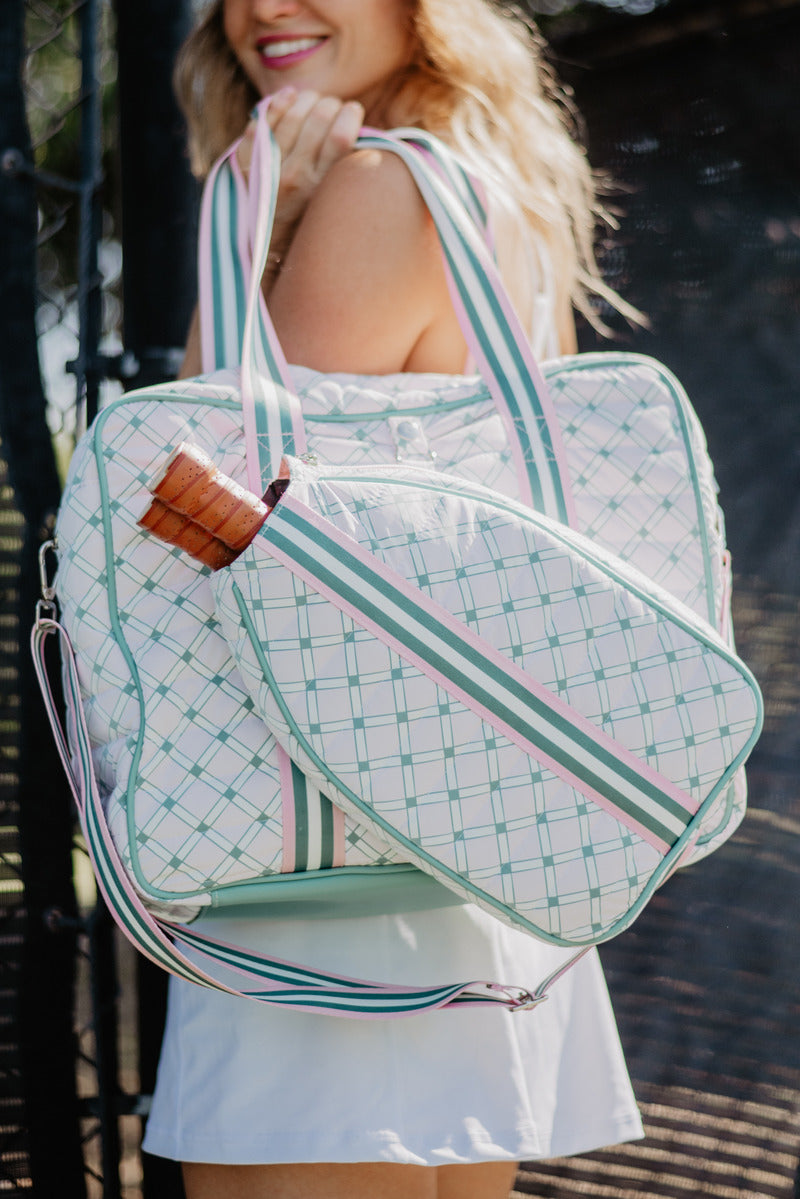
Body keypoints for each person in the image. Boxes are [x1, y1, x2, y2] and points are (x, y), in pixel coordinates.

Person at [142, 2, 645, 1196]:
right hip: (469, 847)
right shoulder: (495, 194)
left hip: (327, 864)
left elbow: (197, 497)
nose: (261, 5)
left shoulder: (379, 193)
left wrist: (258, 230)